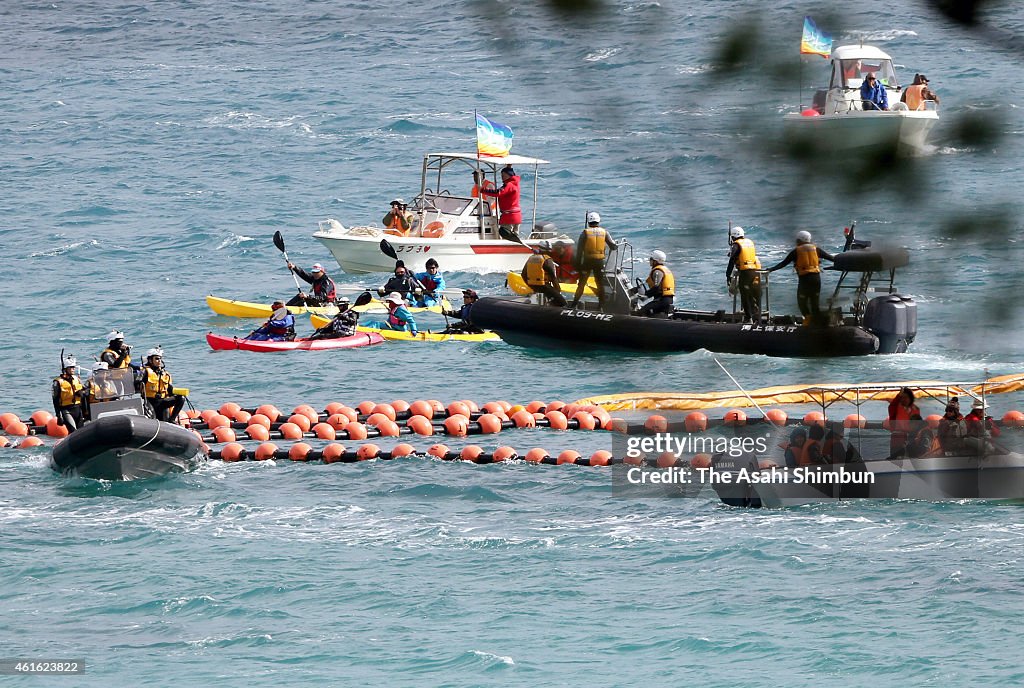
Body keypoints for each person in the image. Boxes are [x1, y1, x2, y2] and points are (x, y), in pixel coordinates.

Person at [765, 231, 835, 325]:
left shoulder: (796, 251)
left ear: (800, 240)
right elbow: (831, 258)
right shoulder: (816, 249)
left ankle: (808, 321)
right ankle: (819, 324)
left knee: (802, 303)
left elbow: (783, 263)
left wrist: (770, 269)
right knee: (815, 303)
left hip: (805, 280)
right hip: (816, 279)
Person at [570, 211, 617, 309]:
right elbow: (613, 247)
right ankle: (601, 306)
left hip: (588, 262)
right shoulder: (605, 232)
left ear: (588, 222)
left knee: (582, 283)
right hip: (599, 262)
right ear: (598, 221)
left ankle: (574, 304)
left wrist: (578, 265)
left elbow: (579, 251)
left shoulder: (585, 232)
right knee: (599, 284)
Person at [725, 227, 762, 324]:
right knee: (750, 293)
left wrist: (728, 275)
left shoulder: (736, 244)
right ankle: (754, 310)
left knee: (744, 295)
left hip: (746, 273)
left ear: (734, 236)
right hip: (755, 271)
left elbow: (732, 260)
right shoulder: (749, 242)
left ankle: (748, 318)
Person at [141, 347, 185, 423]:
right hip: (151, 402)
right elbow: (137, 385)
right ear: (150, 360)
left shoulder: (165, 374)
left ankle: (172, 419)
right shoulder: (145, 372)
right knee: (154, 420)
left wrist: (179, 393)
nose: (159, 361)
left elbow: (170, 391)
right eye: (157, 359)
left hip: (162, 402)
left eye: (160, 359)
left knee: (181, 398)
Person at [521, 241, 568, 307]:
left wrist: (532, 286)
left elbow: (523, 274)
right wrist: (558, 292)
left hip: (534, 286)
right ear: (548, 251)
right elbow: (553, 278)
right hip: (545, 287)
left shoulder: (531, 258)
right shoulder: (547, 260)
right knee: (563, 304)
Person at [480, 166, 522, 236]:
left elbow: (497, 193)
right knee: (515, 235)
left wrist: (483, 190)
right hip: (517, 215)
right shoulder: (515, 183)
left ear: (509, 175)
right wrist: (509, 167)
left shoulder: (509, 185)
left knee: (506, 235)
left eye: (503, 175)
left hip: (509, 216)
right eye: (501, 175)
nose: (502, 177)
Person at [52, 353, 86, 431]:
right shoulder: (58, 382)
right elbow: (55, 400)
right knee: (73, 431)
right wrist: (58, 415)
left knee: (81, 431)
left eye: (74, 367)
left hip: (78, 409)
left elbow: (86, 390)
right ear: (65, 369)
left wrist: (82, 392)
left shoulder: (76, 379)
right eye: (71, 367)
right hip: (67, 410)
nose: (73, 369)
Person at [887, 387, 920, 458]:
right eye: (902, 397)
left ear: (910, 398)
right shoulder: (894, 409)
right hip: (898, 439)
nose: (904, 399)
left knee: (913, 460)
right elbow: (892, 405)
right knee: (897, 462)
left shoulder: (915, 409)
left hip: (912, 439)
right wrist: (899, 395)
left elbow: (918, 424)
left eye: (906, 397)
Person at [640, 250, 675, 317]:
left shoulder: (657, 271)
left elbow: (656, 287)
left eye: (651, 259)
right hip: (667, 299)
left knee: (641, 311)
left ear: (655, 261)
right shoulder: (664, 269)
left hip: (662, 300)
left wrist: (646, 295)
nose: (649, 261)